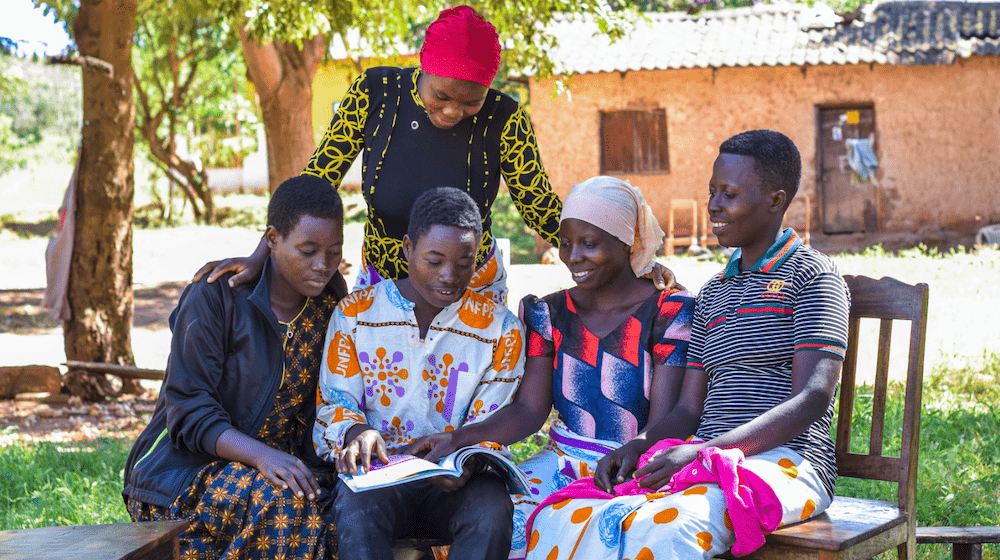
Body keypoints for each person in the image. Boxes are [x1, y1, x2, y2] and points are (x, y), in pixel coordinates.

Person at [194, 5, 678, 304]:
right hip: (385, 277)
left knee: (461, 415)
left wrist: (632, 260)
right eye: (442, 96)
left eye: (472, 102)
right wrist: (263, 254)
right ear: (423, 69)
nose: (453, 112)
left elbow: (539, 207)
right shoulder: (375, 92)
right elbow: (318, 179)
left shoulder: (506, 117)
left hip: (469, 280)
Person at [522, 130, 851, 560]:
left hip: (788, 463)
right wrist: (637, 447)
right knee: (563, 518)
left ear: (775, 200)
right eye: (712, 191)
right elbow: (687, 411)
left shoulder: (813, 276)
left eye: (729, 194)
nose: (714, 205)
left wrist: (703, 450)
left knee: (670, 528)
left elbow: (812, 399)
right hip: (703, 461)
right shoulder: (715, 293)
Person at [404, 176, 696, 559]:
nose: (572, 256)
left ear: (626, 242)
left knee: (616, 534)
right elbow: (530, 410)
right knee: (495, 522)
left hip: (638, 464)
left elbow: (670, 416)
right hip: (561, 462)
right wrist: (457, 440)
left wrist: (635, 455)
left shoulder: (668, 313)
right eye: (566, 242)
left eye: (589, 244)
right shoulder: (549, 313)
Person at [122, 175, 347, 559]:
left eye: (334, 252)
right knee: (287, 513)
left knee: (346, 506)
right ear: (272, 240)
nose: (322, 265)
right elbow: (188, 410)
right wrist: (262, 456)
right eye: (307, 251)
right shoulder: (215, 296)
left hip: (285, 468)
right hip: (187, 471)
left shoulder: (332, 304)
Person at [315, 187, 525, 560]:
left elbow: (491, 421)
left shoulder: (500, 330)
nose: (450, 276)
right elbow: (335, 401)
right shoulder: (356, 314)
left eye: (465, 263)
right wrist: (356, 431)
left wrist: (469, 458)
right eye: (434, 260)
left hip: (459, 481)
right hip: (379, 476)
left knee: (491, 509)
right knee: (358, 505)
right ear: (408, 248)